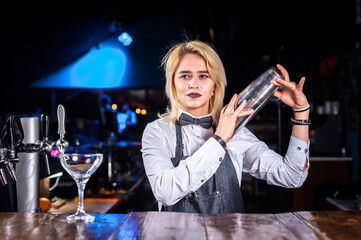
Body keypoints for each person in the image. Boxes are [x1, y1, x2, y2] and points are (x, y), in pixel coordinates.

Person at [141, 40, 310, 214]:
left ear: (215, 85)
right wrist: (219, 139)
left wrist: (301, 112)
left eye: (203, 76)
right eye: (185, 76)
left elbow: (292, 176)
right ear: (173, 84)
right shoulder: (157, 131)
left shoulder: (237, 132)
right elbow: (165, 192)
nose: (193, 84)